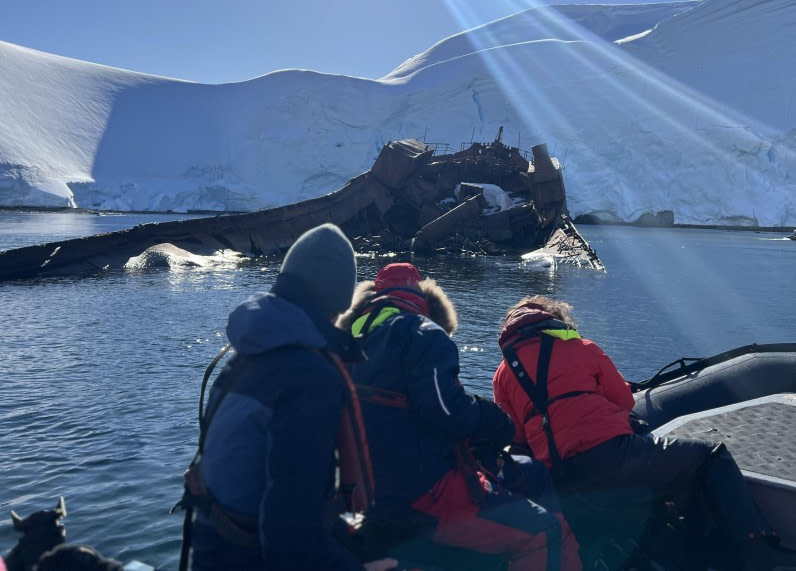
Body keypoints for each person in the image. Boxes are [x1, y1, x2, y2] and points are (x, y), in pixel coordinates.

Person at [492, 295, 796, 571]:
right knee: (709, 457)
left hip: (559, 476)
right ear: (554, 321)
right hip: (613, 456)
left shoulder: (503, 374)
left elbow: (516, 435)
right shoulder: (582, 348)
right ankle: (758, 553)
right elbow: (623, 401)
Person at [337, 263, 581, 571]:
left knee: (529, 471)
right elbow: (447, 411)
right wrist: (490, 418)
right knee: (544, 532)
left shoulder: (346, 344)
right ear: (424, 298)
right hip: (419, 489)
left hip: (363, 490)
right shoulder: (423, 333)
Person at [186, 224, 396, 571]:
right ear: (339, 301)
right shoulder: (308, 377)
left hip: (211, 550)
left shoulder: (249, 352)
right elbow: (291, 541)